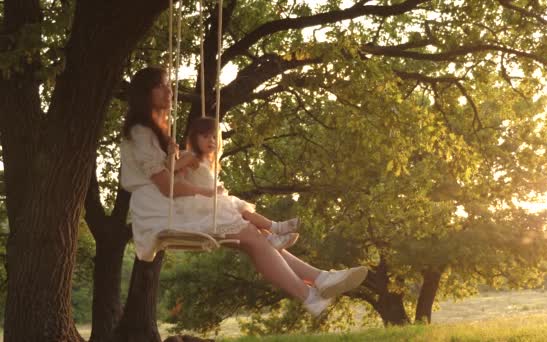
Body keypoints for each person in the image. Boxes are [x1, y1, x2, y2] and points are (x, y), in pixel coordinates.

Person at [120, 66, 367, 316]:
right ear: (145, 93)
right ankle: (310, 293)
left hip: (170, 201)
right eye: (160, 85)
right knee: (252, 234)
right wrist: (206, 193)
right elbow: (165, 185)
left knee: (255, 235)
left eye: (168, 84)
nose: (169, 90)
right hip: (160, 205)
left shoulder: (154, 130)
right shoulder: (141, 133)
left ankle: (319, 280)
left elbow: (170, 176)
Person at [169, 116, 300, 250]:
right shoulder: (191, 157)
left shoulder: (210, 162)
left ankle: (271, 237)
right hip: (200, 204)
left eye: (214, 137)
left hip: (212, 201)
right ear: (195, 138)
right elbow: (171, 168)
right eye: (205, 136)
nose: (211, 140)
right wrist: (172, 154)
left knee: (243, 213)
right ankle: (276, 227)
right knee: (240, 211)